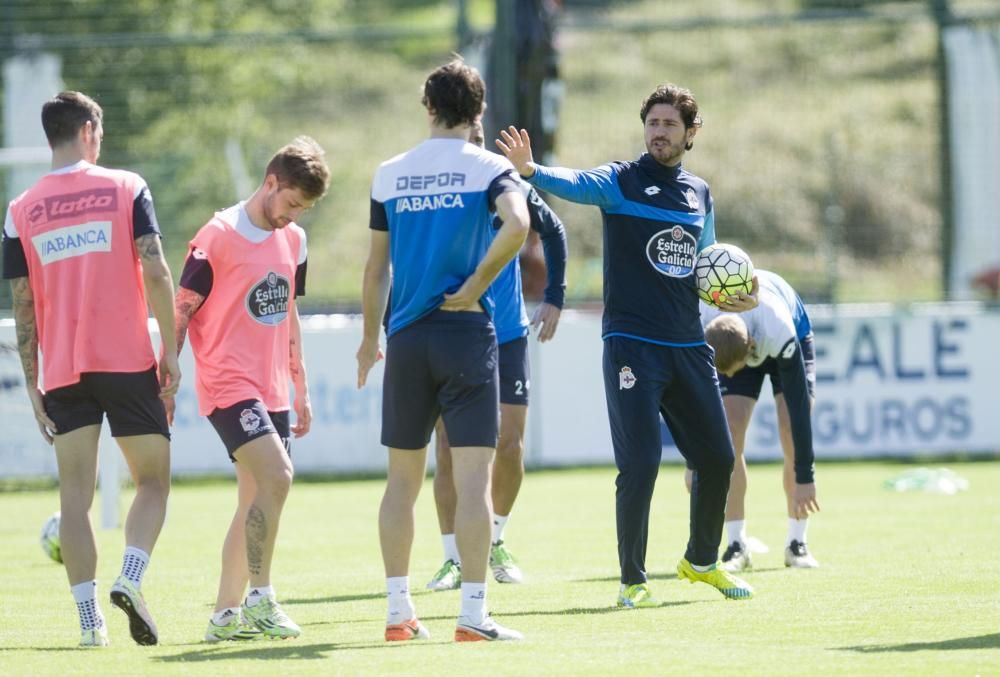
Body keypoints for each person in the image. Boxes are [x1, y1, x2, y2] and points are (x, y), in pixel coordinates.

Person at [497, 83, 758, 608]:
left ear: (691, 133)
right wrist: (532, 172)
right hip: (632, 344)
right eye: (652, 123)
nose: (658, 132)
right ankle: (632, 580)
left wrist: (734, 297)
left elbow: (706, 265)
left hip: (687, 344)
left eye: (669, 125)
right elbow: (575, 182)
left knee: (717, 457)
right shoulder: (620, 180)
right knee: (639, 463)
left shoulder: (699, 194)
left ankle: (701, 561)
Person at [357, 58, 530, 642]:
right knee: (474, 479)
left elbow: (376, 267)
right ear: (477, 112)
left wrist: (366, 339)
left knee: (400, 483)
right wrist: (477, 285)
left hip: (404, 338)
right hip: (464, 333)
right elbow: (519, 224)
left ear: (427, 108)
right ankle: (472, 616)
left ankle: (397, 612)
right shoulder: (489, 167)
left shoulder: (389, 174)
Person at [1, 91, 179, 647]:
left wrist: (33, 384)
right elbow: (155, 269)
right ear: (87, 131)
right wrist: (170, 348)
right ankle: (129, 578)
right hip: (124, 358)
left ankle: (88, 626)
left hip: (60, 369)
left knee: (72, 498)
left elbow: (22, 304)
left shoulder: (19, 210)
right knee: (152, 482)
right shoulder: (127, 186)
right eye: (97, 133)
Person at [167, 137, 329, 641]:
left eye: (303, 209)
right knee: (279, 476)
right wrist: (167, 376)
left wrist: (300, 385)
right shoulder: (217, 235)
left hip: (273, 387)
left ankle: (223, 616)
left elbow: (289, 313)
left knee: (254, 498)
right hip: (226, 383)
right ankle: (262, 598)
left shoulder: (295, 241)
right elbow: (182, 307)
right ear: (271, 182)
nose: (293, 216)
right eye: (291, 203)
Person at [426, 121, 567, 591]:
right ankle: (451, 557)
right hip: (452, 331)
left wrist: (555, 295)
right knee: (447, 447)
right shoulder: (436, 187)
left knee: (510, 445)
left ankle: (495, 540)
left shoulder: (505, 182)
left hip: (506, 335)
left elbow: (555, 230)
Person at [690, 268, 820, 570]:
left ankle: (797, 543)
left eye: (732, 372)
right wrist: (692, 462)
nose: (730, 378)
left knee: (789, 427)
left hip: (793, 335)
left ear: (750, 349)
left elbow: (800, 408)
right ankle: (736, 544)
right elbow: (693, 399)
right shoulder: (699, 323)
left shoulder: (778, 328)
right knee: (729, 430)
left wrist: (806, 476)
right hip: (730, 339)